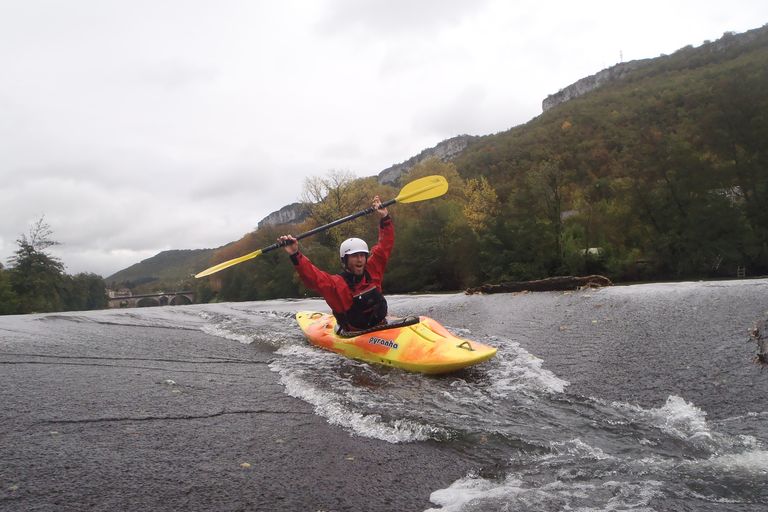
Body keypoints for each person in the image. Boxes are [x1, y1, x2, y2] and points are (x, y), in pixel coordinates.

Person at [278, 195, 393, 333]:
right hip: (355, 334)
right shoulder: (336, 285)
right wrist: (295, 253)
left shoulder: (373, 270)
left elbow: (385, 245)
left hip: (383, 326)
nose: (360, 260)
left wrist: (385, 218)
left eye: (362, 255)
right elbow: (312, 277)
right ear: (344, 260)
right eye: (355, 256)